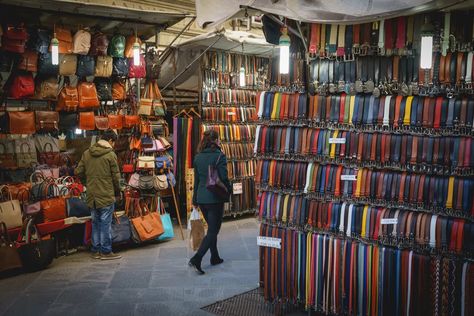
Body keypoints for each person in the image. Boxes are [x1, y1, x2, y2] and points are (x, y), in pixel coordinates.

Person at [189, 130, 232, 274]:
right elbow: (224, 177)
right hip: (214, 198)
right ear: (215, 140)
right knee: (214, 230)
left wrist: (195, 199)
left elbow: (197, 181)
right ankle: (197, 258)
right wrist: (229, 189)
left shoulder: (198, 157)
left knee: (211, 229)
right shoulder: (219, 156)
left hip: (201, 198)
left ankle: (215, 256)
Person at [75, 130, 122, 260]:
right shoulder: (110, 155)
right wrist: (119, 191)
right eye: (114, 142)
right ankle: (106, 251)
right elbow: (116, 178)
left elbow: (78, 171)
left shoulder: (86, 153)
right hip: (106, 194)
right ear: (111, 141)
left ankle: (96, 250)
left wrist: (87, 183)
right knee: (105, 223)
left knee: (95, 222)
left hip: (92, 195)